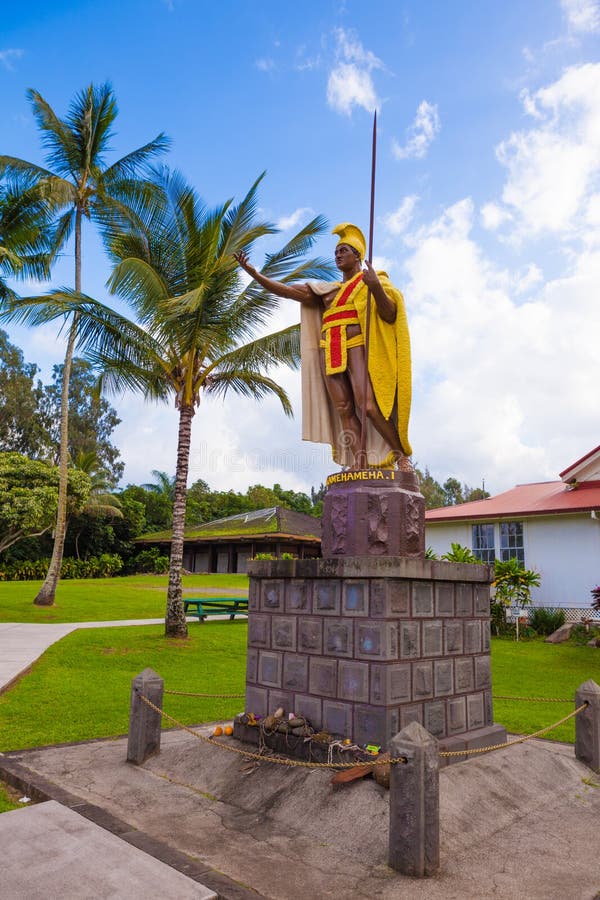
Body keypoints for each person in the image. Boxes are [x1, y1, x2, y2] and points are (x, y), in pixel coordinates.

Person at [234, 222, 412, 470]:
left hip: (356, 346)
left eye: (344, 251)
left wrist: (376, 288)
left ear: (358, 256)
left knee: (367, 405)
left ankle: (401, 456)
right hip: (329, 349)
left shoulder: (371, 282)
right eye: (336, 252)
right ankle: (360, 465)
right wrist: (255, 274)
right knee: (344, 409)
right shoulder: (326, 292)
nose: (338, 255)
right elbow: (286, 291)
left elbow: (390, 314)